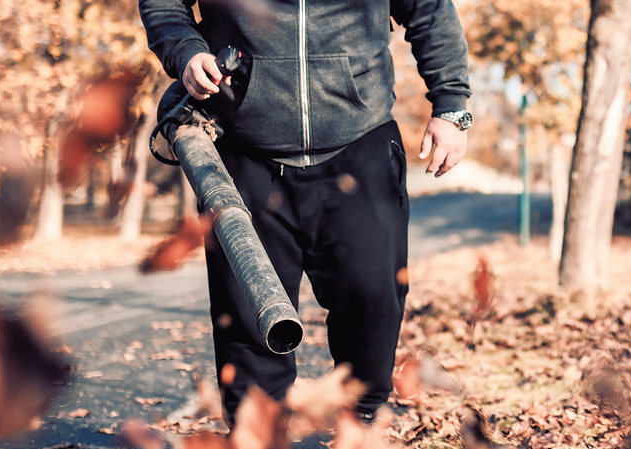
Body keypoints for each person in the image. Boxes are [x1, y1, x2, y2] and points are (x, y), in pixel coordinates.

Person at [140, 0, 472, 424]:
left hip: (360, 143)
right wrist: (186, 50)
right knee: (249, 316)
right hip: (244, 151)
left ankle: (363, 427)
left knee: (371, 301)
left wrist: (451, 106)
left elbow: (429, 10)